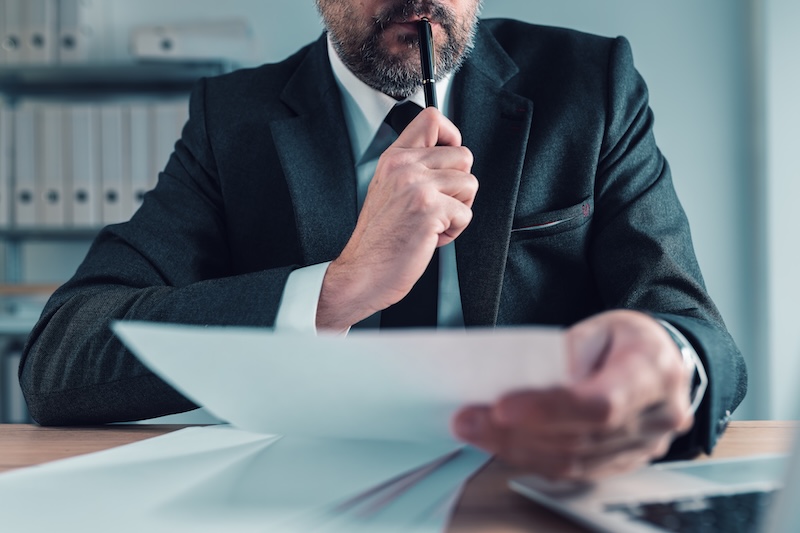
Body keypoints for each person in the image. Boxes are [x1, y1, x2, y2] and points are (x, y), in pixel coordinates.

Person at [20, 0, 746, 481]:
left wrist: (667, 365)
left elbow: (693, 329)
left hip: (535, 496)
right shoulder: (231, 121)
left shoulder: (593, 84)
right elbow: (61, 357)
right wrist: (337, 289)